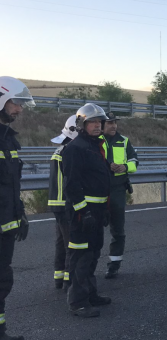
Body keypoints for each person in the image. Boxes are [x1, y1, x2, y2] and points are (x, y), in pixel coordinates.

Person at [62, 103, 112, 317]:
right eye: (92, 122)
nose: (97, 125)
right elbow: (71, 185)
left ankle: (90, 294)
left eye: (99, 122)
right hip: (82, 214)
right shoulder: (76, 148)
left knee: (93, 254)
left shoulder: (94, 146)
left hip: (96, 211)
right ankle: (78, 302)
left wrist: (104, 210)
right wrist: (84, 212)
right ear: (82, 124)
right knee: (81, 257)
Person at [0, 77, 33, 340]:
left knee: (2, 280)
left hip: (6, 224)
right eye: (15, 103)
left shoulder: (8, 140)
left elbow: (11, 184)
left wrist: (19, 213)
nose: (19, 109)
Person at [101, 112, 139, 279]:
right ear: (102, 124)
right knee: (93, 230)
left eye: (115, 122)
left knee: (118, 230)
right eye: (110, 123)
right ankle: (87, 266)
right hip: (99, 189)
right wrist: (106, 166)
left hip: (117, 190)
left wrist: (125, 167)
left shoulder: (123, 141)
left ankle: (114, 265)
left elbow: (134, 160)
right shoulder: (96, 140)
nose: (114, 126)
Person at [49, 115, 78, 289]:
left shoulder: (60, 150)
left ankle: (59, 277)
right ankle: (69, 280)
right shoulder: (69, 151)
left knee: (61, 242)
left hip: (56, 203)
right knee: (71, 243)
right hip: (65, 203)